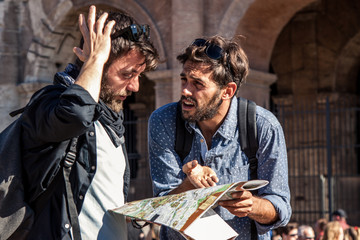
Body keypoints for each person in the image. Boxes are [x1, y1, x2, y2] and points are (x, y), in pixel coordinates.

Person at [18, 5, 158, 240]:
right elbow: (75, 116)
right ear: (98, 63)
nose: (135, 87)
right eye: (127, 75)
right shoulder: (50, 103)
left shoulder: (110, 119)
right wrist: (94, 59)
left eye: (138, 76)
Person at [148, 35, 291, 239]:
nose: (185, 91)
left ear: (228, 91)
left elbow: (281, 207)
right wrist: (190, 184)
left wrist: (251, 205)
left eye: (198, 84)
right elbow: (161, 206)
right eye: (184, 80)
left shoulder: (263, 126)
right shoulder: (164, 120)